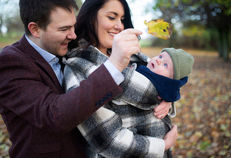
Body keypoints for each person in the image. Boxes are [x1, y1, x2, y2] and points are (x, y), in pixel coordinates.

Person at [0, 0, 142, 157]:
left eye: (73, 26)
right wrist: (114, 66)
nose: (73, 35)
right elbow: (53, 115)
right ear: (35, 29)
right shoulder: (10, 62)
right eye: (64, 29)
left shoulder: (67, 49)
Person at [64, 0, 181, 157]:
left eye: (122, 19)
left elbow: (162, 80)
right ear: (91, 17)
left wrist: (168, 100)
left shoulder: (131, 55)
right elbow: (109, 141)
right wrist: (163, 145)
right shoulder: (78, 67)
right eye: (112, 17)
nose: (119, 25)